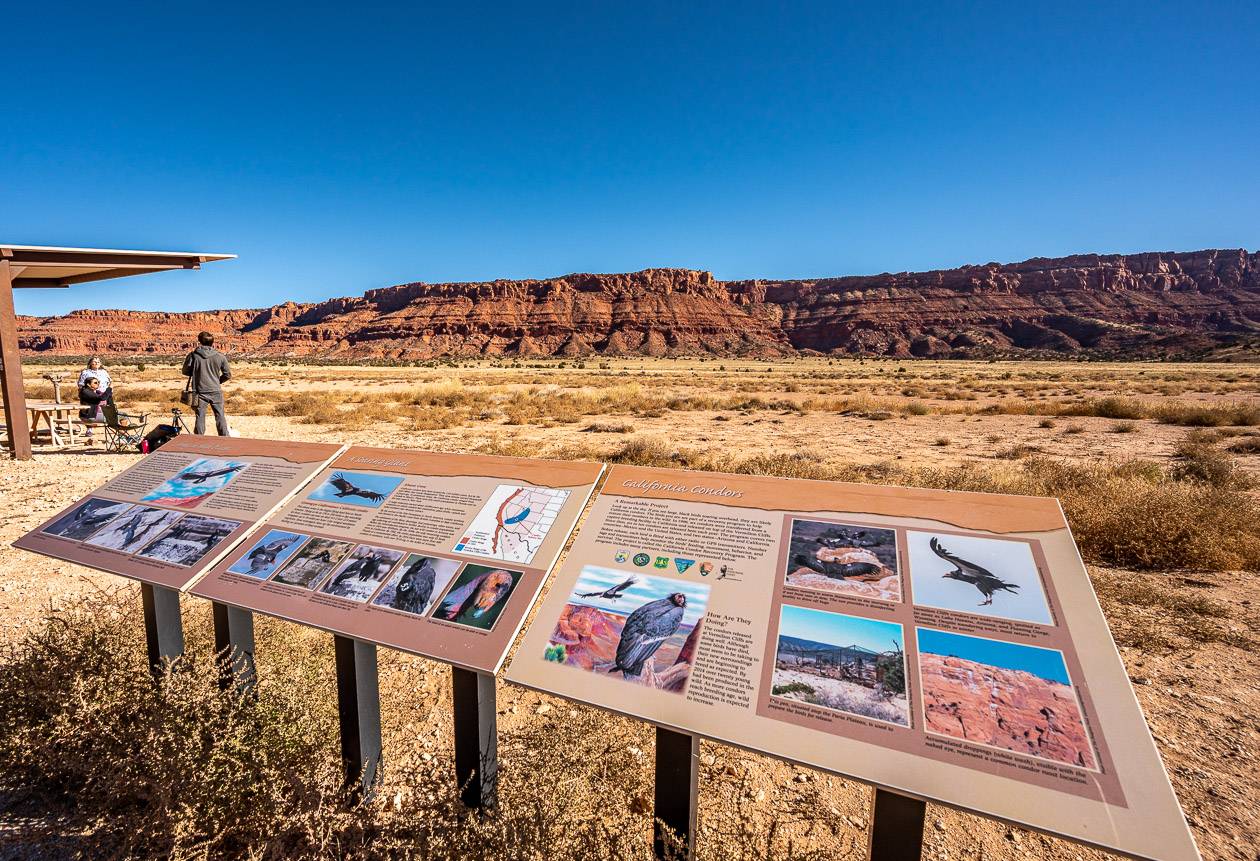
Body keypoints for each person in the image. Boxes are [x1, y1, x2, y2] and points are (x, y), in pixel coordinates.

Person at [182, 331, 232, 435]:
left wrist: (197, 371)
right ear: (212, 342)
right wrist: (217, 381)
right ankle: (224, 438)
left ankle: (199, 440)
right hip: (216, 390)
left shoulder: (193, 355)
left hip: (199, 391)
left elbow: (185, 371)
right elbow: (227, 375)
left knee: (200, 416)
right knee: (220, 416)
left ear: (199, 341)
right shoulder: (220, 356)